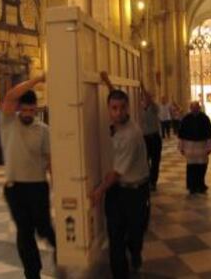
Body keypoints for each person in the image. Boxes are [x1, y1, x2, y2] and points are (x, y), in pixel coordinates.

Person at [91, 73, 150, 279]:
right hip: (117, 192)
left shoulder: (130, 135)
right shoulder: (116, 124)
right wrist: (108, 84)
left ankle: (135, 253)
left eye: (122, 108)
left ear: (128, 108)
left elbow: (116, 173)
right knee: (115, 237)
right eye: (114, 108)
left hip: (135, 192)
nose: (118, 112)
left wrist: (98, 191)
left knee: (135, 234)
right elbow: (115, 96)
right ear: (108, 109)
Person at [0, 75, 56, 279]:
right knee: (24, 231)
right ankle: (32, 273)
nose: (28, 114)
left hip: (38, 187)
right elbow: (10, 96)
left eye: (32, 111)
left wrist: (56, 185)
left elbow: (50, 162)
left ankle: (60, 249)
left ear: (36, 109)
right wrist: (38, 79)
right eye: (24, 110)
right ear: (18, 109)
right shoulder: (8, 122)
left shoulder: (43, 130)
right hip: (15, 189)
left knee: (43, 227)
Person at [178, 101, 211, 195]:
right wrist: (181, 147)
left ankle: (201, 184)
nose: (194, 109)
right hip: (189, 146)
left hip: (202, 145)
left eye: (196, 107)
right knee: (191, 167)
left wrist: (210, 147)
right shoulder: (186, 118)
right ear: (190, 108)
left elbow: (209, 134)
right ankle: (192, 186)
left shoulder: (204, 118)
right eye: (192, 107)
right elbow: (181, 134)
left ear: (199, 108)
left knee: (202, 166)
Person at [140, 83, 162, 192]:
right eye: (144, 96)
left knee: (155, 161)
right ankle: (146, 180)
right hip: (144, 138)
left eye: (148, 96)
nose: (146, 98)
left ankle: (153, 182)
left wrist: (143, 88)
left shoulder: (154, 107)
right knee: (144, 161)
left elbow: (150, 100)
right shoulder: (139, 108)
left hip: (154, 138)